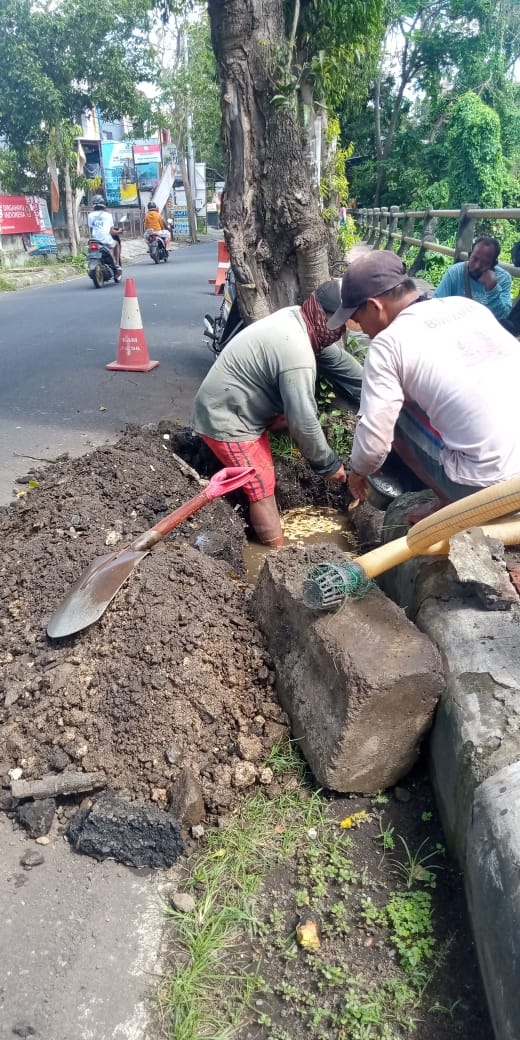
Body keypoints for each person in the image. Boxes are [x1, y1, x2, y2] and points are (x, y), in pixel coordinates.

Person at [326, 250, 520, 522]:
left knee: (393, 418)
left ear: (374, 306)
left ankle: (446, 501)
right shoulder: (467, 307)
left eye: (358, 320)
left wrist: (358, 474)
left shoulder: (387, 345)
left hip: (488, 488)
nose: (362, 329)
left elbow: (374, 442)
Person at [192, 280, 363, 546]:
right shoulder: (297, 353)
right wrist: (329, 465)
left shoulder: (300, 320)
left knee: (297, 417)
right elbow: (303, 420)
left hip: (245, 404)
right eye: (340, 326)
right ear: (324, 318)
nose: (341, 333)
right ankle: (278, 555)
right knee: (261, 484)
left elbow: (349, 372)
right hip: (226, 417)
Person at [433, 236, 512, 323]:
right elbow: (437, 303)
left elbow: (502, 316)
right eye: (475, 259)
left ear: (493, 264)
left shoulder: (503, 278)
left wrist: (492, 287)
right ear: (469, 256)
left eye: (485, 262)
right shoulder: (456, 272)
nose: (477, 266)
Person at [87, 195, 122, 269]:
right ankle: (117, 265)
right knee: (116, 243)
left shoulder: (90, 215)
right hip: (105, 240)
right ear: (104, 205)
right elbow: (111, 232)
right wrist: (119, 232)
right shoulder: (108, 215)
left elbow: (91, 229)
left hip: (94, 241)